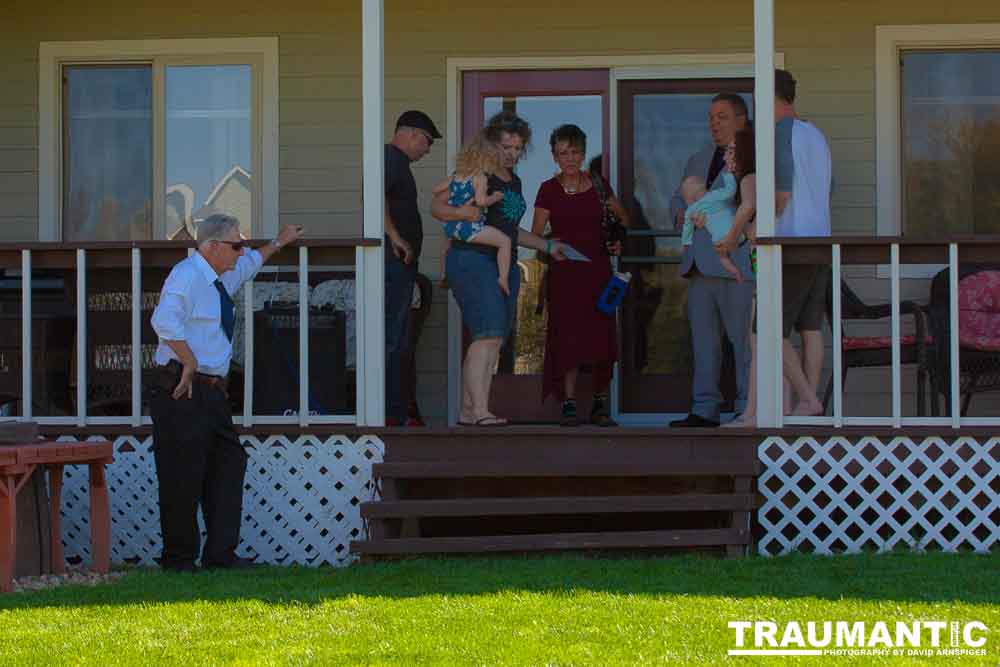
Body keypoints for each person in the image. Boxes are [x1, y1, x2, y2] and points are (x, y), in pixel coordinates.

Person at [150, 214, 303, 572]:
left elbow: (250, 264)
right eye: (236, 244)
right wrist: (187, 361)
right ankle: (179, 559)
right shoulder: (186, 276)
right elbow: (164, 321)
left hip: (213, 391)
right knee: (182, 473)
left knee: (228, 465)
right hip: (181, 387)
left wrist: (279, 242)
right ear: (213, 246)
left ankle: (220, 555)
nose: (241, 250)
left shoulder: (219, 278)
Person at [432, 111, 568, 426]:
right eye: (506, 146)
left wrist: (548, 246)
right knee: (487, 334)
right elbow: (436, 206)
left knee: (494, 337)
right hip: (472, 258)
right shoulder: (477, 172)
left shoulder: (515, 181)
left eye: (518, 148)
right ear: (492, 144)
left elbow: (510, 229)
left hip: (501, 260)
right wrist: (462, 214)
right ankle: (478, 412)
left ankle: (471, 410)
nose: (511, 153)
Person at [532, 124, 630, 426]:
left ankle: (600, 404)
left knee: (601, 336)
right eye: (563, 153)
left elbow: (624, 217)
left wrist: (617, 239)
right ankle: (569, 403)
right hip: (564, 274)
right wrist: (549, 245)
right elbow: (535, 235)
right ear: (554, 156)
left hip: (599, 271)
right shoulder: (548, 189)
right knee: (568, 337)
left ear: (583, 153)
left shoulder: (599, 185)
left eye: (574, 152)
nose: (570, 158)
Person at [669, 93, 755, 428]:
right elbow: (677, 198)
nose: (713, 123)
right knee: (704, 343)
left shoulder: (753, 158)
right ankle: (705, 409)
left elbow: (755, 204)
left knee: (743, 340)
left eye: (721, 116)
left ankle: (748, 406)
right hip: (698, 265)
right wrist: (683, 215)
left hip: (736, 262)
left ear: (741, 119)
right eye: (710, 117)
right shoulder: (698, 158)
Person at [773, 69, 832, 417]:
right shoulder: (816, 134)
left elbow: (781, 195)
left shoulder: (782, 131)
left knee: (767, 328)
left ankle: (807, 399)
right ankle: (807, 408)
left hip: (792, 242)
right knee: (811, 328)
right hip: (821, 239)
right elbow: (829, 188)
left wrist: (752, 223)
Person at [383, 110, 441, 426]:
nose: (427, 149)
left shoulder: (398, 163)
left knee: (400, 338)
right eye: (427, 142)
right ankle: (392, 415)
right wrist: (394, 236)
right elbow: (374, 196)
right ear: (411, 134)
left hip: (401, 267)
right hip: (392, 265)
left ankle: (399, 411)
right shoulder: (391, 157)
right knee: (393, 338)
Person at [433, 131, 511, 295]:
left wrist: (454, 192)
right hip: (469, 227)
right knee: (505, 242)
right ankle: (503, 278)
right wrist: (495, 197)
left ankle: (443, 274)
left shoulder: (456, 175)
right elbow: (481, 201)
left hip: (451, 226)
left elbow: (436, 190)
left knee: (445, 247)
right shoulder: (480, 177)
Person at [680, 166, 742, 282]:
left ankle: (734, 270)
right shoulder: (716, 195)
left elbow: (687, 228)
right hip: (736, 232)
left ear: (689, 199)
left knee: (723, 257)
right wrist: (728, 175)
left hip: (719, 240)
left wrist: (686, 243)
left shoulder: (691, 210)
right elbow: (730, 190)